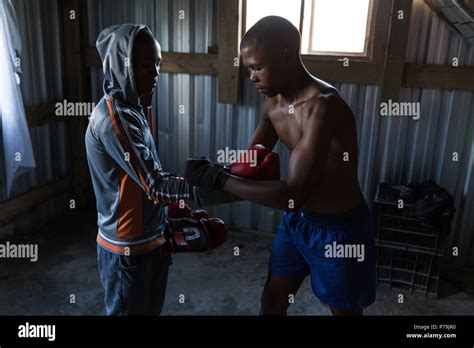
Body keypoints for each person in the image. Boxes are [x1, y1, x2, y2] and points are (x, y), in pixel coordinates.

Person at [184, 16, 376, 316]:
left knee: (345, 314)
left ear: (286, 55)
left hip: (339, 231)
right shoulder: (274, 106)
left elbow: (294, 192)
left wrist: (222, 181)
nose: (252, 78)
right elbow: (252, 161)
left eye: (257, 67)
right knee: (273, 301)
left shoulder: (323, 107)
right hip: (297, 222)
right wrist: (218, 172)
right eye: (249, 69)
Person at [85, 24, 191, 315]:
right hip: (128, 250)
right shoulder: (113, 118)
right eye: (147, 65)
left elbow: (144, 180)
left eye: (158, 64)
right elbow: (155, 185)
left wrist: (170, 215)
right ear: (123, 65)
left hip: (151, 240)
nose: (156, 73)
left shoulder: (135, 109)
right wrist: (213, 184)